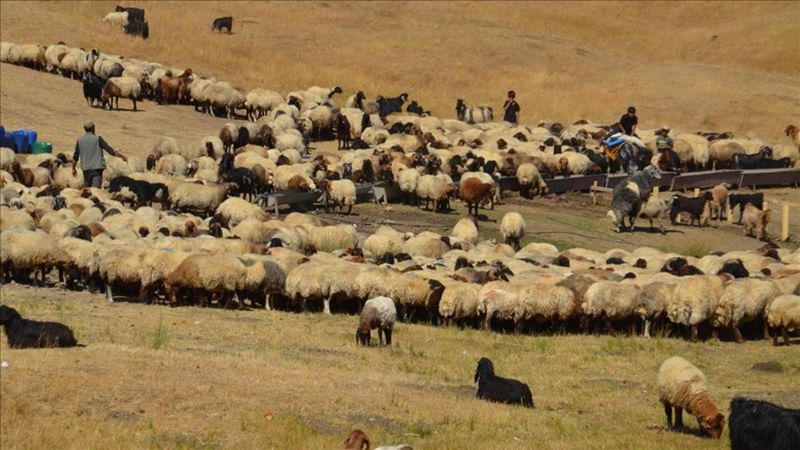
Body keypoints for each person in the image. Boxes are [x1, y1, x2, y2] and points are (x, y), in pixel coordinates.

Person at [72, 121, 127, 188]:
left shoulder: (80, 140)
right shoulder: (98, 138)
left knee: (87, 189)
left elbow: (75, 156)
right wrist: (122, 156)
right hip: (97, 169)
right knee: (95, 190)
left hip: (86, 169)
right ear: (93, 128)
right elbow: (110, 151)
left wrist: (73, 168)